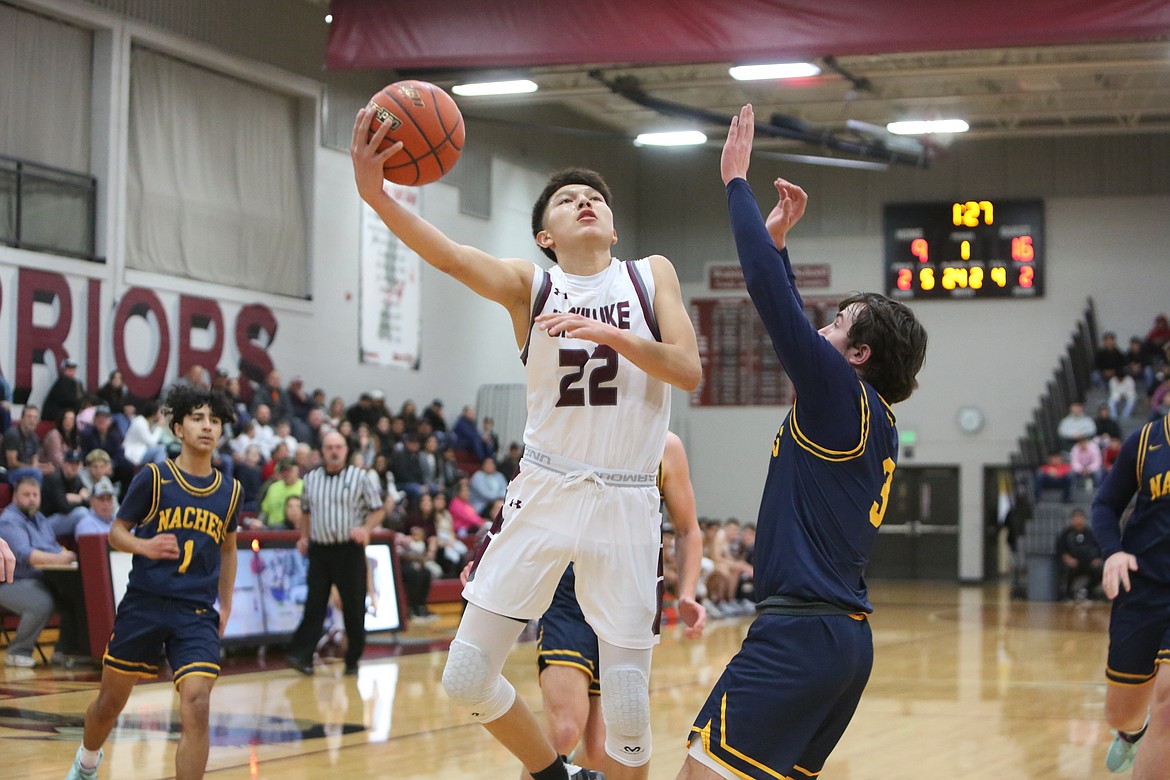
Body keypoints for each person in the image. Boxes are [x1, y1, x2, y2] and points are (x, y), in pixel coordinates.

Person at [354, 106, 701, 780]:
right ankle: (554, 774)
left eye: (595, 197)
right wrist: (376, 195)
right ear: (547, 234)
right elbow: (448, 255)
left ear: (614, 225)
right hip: (545, 489)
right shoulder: (532, 285)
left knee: (627, 711)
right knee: (464, 675)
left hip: (627, 500)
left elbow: (687, 370)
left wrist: (615, 337)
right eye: (570, 200)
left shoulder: (649, 274)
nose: (586, 202)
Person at [677, 105, 927, 780]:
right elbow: (783, 298)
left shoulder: (838, 394)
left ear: (860, 353)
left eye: (838, 322)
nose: (821, 327)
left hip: (797, 637)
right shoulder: (871, 415)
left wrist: (737, 184)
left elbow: (767, 293)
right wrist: (779, 237)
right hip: (841, 642)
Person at [64, 385, 240, 780]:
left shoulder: (230, 492)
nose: (207, 427)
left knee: (197, 702)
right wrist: (144, 546)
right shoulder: (155, 478)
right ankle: (87, 761)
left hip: (194, 612)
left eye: (214, 420)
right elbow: (116, 533)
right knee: (109, 703)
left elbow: (229, 550)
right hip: (144, 603)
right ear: (178, 427)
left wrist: (225, 605)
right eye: (197, 418)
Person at [526, 431, 708, 774]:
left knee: (599, 751)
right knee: (565, 728)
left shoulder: (665, 446)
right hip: (570, 587)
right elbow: (530, 495)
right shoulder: (580, 424)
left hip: (629, 597)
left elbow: (687, 529)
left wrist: (687, 592)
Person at [1092, 411, 1170, 776]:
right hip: (1143, 589)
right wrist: (1113, 551)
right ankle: (1132, 733)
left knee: (1168, 703)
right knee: (1121, 712)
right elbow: (1105, 505)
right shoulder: (1146, 442)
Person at [285, 431, 384, 677]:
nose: (334, 451)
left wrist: (365, 529)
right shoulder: (311, 479)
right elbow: (306, 512)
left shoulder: (360, 477)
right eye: (329, 447)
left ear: (346, 450)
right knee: (314, 604)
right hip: (320, 550)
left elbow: (378, 510)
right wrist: (304, 537)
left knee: (353, 606)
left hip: (348, 550)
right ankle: (303, 656)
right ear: (322, 450)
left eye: (338, 446)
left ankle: (353, 658)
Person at [0, 475, 87, 668]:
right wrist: (59, 558)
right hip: (10, 582)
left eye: (35, 494)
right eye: (26, 494)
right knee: (41, 602)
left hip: (41, 579)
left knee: (74, 595)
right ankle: (17, 651)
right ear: (15, 496)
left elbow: (54, 546)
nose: (31, 498)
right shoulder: (9, 520)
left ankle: (64, 651)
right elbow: (26, 554)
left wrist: (65, 554)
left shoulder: (39, 518)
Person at [1055, 508, 1102, 601]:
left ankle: (1087, 591)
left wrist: (1097, 559)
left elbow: (1099, 547)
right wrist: (1068, 559)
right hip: (1073, 563)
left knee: (1100, 571)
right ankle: (1068, 594)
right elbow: (1061, 550)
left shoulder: (1090, 533)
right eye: (1076, 518)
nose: (1078, 520)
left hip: (1088, 563)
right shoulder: (1066, 534)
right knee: (1067, 570)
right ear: (1072, 519)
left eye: (1080, 517)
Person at [4, 404, 50, 482]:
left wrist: (44, 466)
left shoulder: (35, 437)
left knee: (53, 474)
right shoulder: (13, 434)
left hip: (29, 470)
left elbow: (34, 462)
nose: (32, 420)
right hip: (10, 472)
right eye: (29, 416)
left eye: (35, 417)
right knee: (36, 473)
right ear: (22, 418)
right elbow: (12, 463)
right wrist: (32, 468)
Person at [255, 459, 304, 529]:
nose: (286, 474)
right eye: (283, 471)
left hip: (296, 529)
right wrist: (259, 522)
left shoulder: (305, 487)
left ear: (297, 470)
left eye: (289, 470)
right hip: (272, 529)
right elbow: (265, 511)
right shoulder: (273, 487)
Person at [41, 358, 85, 422]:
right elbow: (68, 399)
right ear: (63, 370)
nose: (71, 371)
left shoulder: (77, 383)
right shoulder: (61, 382)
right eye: (69, 369)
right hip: (54, 420)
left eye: (73, 369)